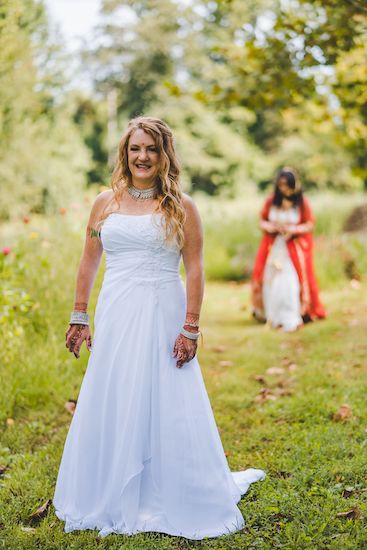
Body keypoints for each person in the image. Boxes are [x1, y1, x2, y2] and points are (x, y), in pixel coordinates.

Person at [53, 116, 265, 540]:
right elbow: (89, 261)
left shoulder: (181, 207)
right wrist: (80, 314)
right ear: (124, 153)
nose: (142, 156)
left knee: (166, 395)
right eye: (135, 148)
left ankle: (172, 488)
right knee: (116, 392)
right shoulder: (104, 204)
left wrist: (190, 328)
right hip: (116, 313)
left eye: (151, 148)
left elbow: (196, 269)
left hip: (162, 311)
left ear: (164, 154)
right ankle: (109, 488)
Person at [251, 167, 326, 332]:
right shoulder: (272, 201)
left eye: (286, 185)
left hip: (292, 249)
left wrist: (294, 230)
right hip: (274, 246)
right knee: (270, 278)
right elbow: (261, 221)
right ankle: (271, 313)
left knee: (289, 279)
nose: (283, 188)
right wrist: (271, 227)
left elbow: (309, 224)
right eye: (280, 185)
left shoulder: (302, 202)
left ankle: (292, 312)